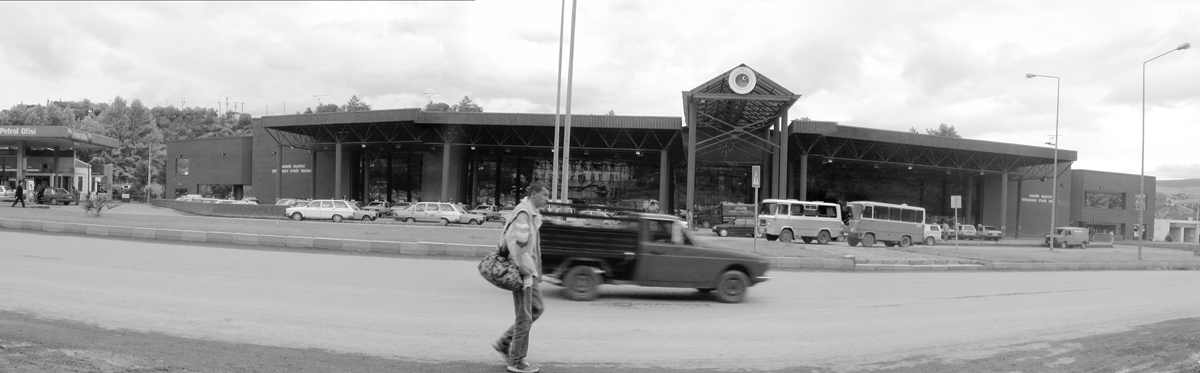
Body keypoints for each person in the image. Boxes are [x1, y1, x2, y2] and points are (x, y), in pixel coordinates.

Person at [492, 181, 549, 373]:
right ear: (534, 194)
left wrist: (535, 271)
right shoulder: (524, 214)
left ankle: (505, 342)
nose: (547, 199)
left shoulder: (532, 214)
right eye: (544, 195)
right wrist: (525, 274)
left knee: (536, 308)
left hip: (530, 271)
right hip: (523, 272)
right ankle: (516, 361)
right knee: (524, 317)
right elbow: (519, 247)